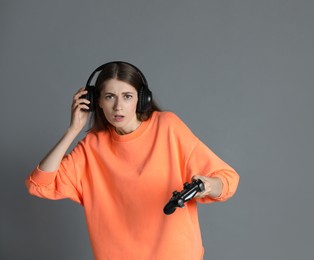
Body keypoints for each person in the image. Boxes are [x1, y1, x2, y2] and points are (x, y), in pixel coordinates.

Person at [25, 61, 240, 260]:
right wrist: (72, 131)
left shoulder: (168, 127)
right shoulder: (91, 147)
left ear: (141, 98)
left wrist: (208, 185)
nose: (118, 107)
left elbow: (227, 180)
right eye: (110, 97)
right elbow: (39, 184)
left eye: (127, 96)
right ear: (96, 101)